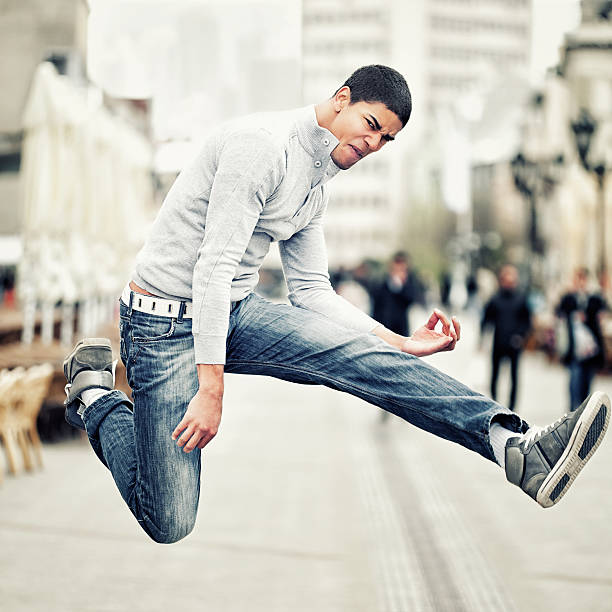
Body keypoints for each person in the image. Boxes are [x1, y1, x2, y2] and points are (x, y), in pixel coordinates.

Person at [63, 65, 610, 544]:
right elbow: (212, 269)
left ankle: (516, 446)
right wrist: (212, 388)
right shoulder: (262, 146)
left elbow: (312, 292)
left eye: (386, 140)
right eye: (372, 126)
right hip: (161, 327)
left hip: (233, 313)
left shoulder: (315, 184)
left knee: (356, 356)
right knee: (170, 521)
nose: (373, 145)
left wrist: (401, 342)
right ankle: (94, 397)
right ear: (342, 98)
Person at [480, 265, 532, 411]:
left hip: (515, 344)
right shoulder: (495, 298)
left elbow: (527, 321)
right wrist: (482, 340)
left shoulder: (521, 298)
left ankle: (512, 408)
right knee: (494, 376)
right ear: (501, 280)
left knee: (514, 378)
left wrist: (521, 336)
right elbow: (486, 319)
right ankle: (495, 405)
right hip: (498, 342)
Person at [556, 268, 608, 411]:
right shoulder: (568, 298)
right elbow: (558, 313)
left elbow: (602, 313)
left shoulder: (594, 298)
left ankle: (585, 410)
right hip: (574, 349)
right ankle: (574, 410)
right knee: (574, 380)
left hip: (591, 350)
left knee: (587, 381)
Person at [372, 251, 422, 337]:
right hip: (384, 326)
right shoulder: (383, 281)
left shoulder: (409, 282)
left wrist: (402, 285)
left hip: (400, 327)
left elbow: (411, 299)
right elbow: (376, 301)